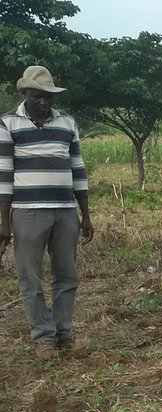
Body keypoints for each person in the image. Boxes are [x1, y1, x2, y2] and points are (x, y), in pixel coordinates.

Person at [0, 66, 94, 360]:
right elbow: (4, 175)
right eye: (36, 96)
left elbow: (78, 169)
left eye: (48, 96)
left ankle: (64, 332)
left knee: (67, 275)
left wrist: (86, 214)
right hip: (27, 213)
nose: (43, 101)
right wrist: (4, 223)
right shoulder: (8, 124)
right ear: (26, 94)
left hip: (65, 211)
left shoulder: (67, 123)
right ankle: (43, 337)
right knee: (30, 278)